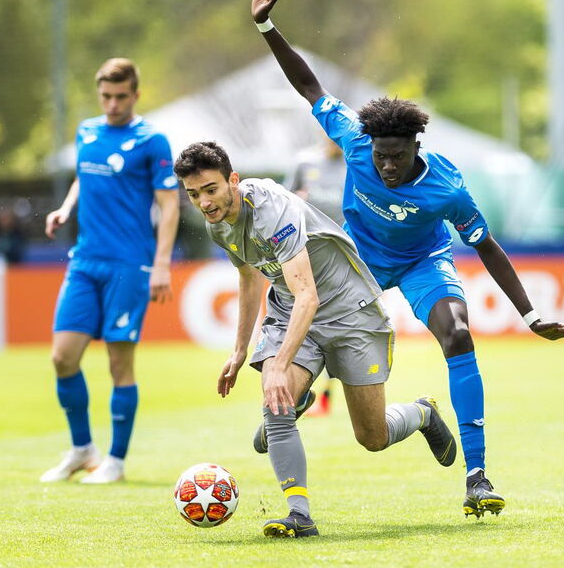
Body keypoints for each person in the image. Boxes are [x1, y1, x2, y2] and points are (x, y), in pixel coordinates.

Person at [250, 0, 564, 517]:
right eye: (380, 156)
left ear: (416, 147)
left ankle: (477, 476)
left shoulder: (448, 187)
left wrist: (530, 316)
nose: (385, 166)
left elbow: (487, 247)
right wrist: (267, 27)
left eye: (397, 156)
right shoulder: (355, 139)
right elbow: (310, 85)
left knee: (457, 333)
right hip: (358, 263)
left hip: (421, 261)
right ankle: (298, 396)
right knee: (307, 341)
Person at [175, 141, 457, 538]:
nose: (204, 202)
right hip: (290, 310)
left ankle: (423, 412)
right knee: (277, 404)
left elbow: (309, 294)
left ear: (232, 181)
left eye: (210, 189)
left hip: (349, 310)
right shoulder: (217, 222)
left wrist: (278, 368)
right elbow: (248, 277)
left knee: (373, 437)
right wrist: (240, 352)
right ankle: (299, 513)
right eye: (193, 194)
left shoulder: (271, 209)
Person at [40, 58, 180, 484]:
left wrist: (161, 265)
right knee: (63, 357)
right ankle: (83, 449)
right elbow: (84, 176)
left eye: (121, 96)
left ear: (136, 95)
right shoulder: (87, 130)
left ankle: (115, 461)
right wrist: (65, 209)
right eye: (106, 96)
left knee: (119, 364)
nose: (113, 104)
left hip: (129, 265)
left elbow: (169, 204)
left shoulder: (152, 140)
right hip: (85, 261)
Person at [285, 138, 347, 416]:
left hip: (346, 255)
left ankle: (323, 396)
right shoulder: (304, 162)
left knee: (339, 325)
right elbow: (282, 202)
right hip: (306, 253)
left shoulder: (358, 166)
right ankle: (299, 389)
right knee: (304, 319)